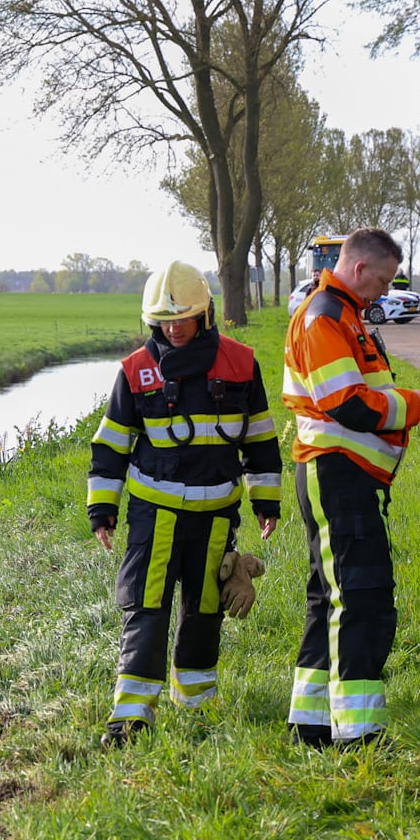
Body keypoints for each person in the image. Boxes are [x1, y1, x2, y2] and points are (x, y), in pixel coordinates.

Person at [87, 259, 282, 748]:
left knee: (205, 609)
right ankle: (131, 718)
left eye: (183, 320)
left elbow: (260, 438)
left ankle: (196, 704)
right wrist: (102, 509)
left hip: (216, 517)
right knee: (146, 607)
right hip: (154, 516)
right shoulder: (135, 370)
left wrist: (266, 501)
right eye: (164, 322)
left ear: (206, 315)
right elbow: (111, 443)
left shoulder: (241, 363)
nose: (173, 329)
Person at [281, 227, 420, 748]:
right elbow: (346, 404)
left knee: (332, 597)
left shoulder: (345, 314)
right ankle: (358, 734)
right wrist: (412, 405)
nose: (386, 290)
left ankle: (311, 725)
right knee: (359, 598)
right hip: (337, 474)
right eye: (383, 280)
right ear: (358, 269)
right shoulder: (326, 316)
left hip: (344, 475)